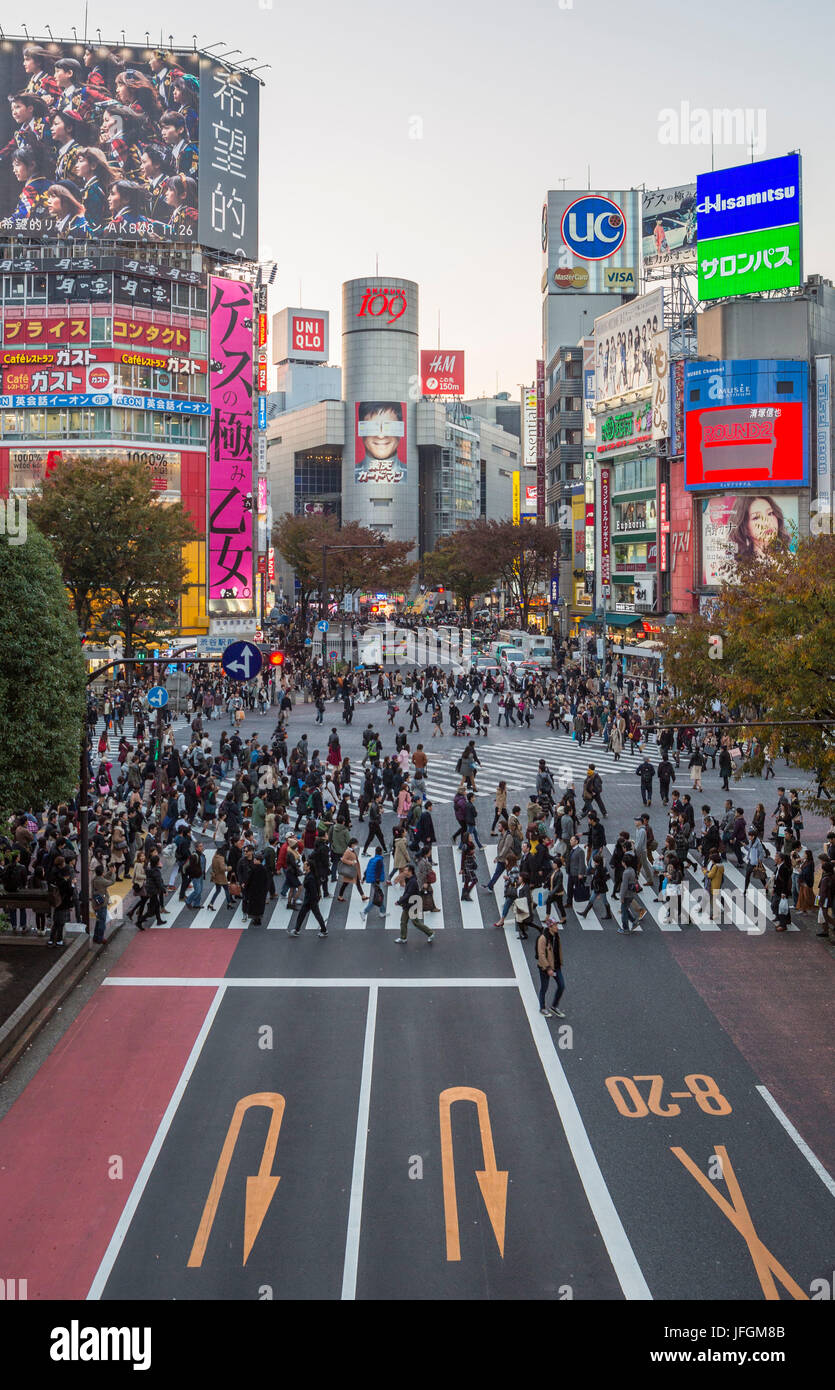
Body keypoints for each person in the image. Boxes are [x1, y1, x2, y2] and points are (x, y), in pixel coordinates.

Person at [395, 863, 435, 944]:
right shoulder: (409, 879)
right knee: (403, 921)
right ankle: (403, 938)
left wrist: (399, 901)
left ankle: (430, 933)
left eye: (406, 870)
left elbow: (408, 894)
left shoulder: (413, 882)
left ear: (410, 872)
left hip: (413, 905)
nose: (404, 871)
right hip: (408, 904)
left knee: (415, 922)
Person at [290, 859, 328, 938]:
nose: (303, 866)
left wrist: (313, 900)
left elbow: (313, 890)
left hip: (311, 900)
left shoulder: (310, 877)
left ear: (309, 867)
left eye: (305, 865)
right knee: (302, 914)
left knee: (316, 915)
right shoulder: (310, 874)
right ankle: (297, 930)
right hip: (309, 899)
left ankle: (324, 930)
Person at [536, 917, 565, 1018]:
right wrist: (548, 968)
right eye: (555, 925)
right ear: (550, 927)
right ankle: (542, 1008)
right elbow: (541, 954)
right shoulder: (543, 938)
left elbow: (558, 950)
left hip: (556, 966)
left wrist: (560, 962)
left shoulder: (556, 936)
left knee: (562, 986)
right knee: (544, 988)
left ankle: (554, 1006)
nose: (557, 927)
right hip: (545, 967)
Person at [245, 852, 271, 926]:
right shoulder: (264, 869)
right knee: (260, 905)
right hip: (262, 891)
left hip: (253, 890)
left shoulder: (253, 868)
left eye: (255, 859)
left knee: (253, 905)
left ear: (257, 860)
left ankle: (255, 919)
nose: (253, 860)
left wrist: (246, 886)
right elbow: (266, 880)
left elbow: (249, 879)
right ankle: (259, 919)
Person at [336, 839, 365, 904]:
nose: (356, 846)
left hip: (353, 870)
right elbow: (343, 859)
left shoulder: (351, 850)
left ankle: (363, 896)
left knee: (356, 883)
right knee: (345, 884)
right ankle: (340, 896)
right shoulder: (348, 851)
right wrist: (351, 862)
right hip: (350, 871)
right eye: (355, 844)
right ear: (352, 844)